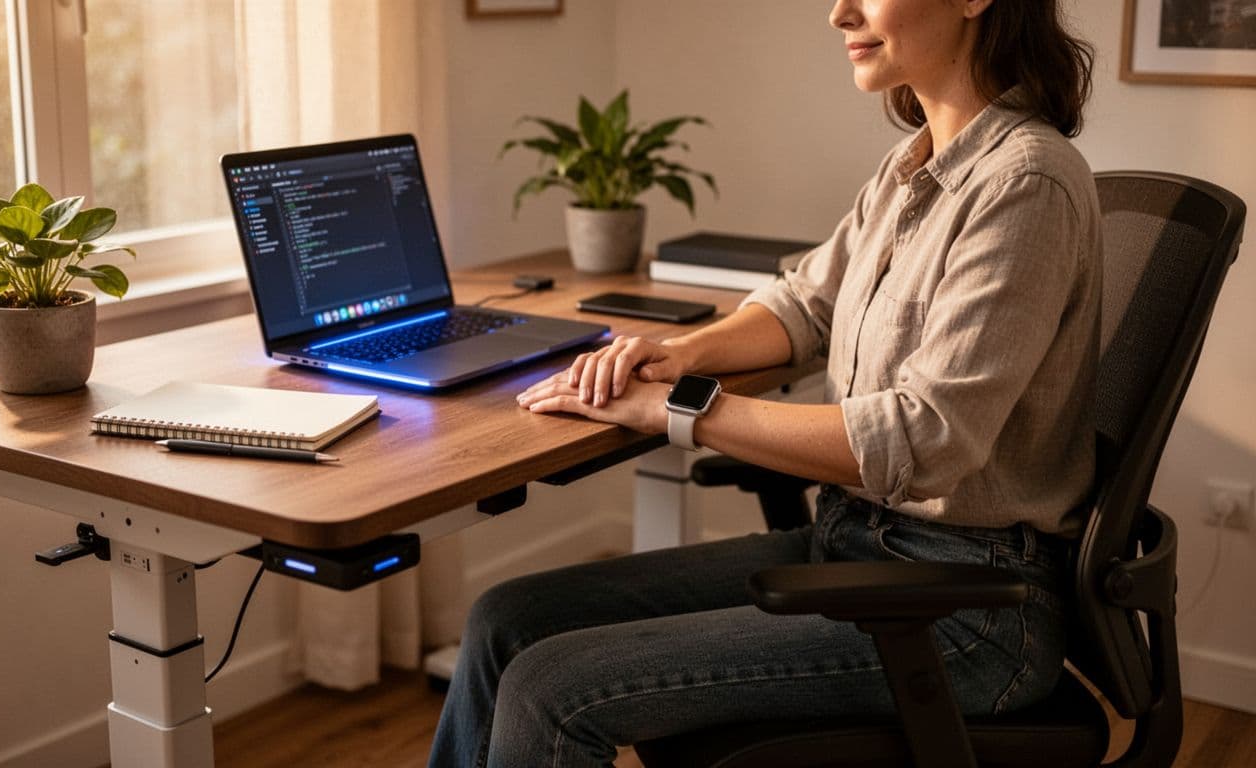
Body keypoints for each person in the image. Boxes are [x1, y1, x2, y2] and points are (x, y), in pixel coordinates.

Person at [430, 0, 1098, 765]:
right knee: (503, 620)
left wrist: (677, 409)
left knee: (552, 687)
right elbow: (804, 303)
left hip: (967, 611)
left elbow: (923, 438)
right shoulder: (914, 166)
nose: (837, 12)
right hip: (853, 547)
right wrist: (681, 353)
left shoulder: (1026, 184)